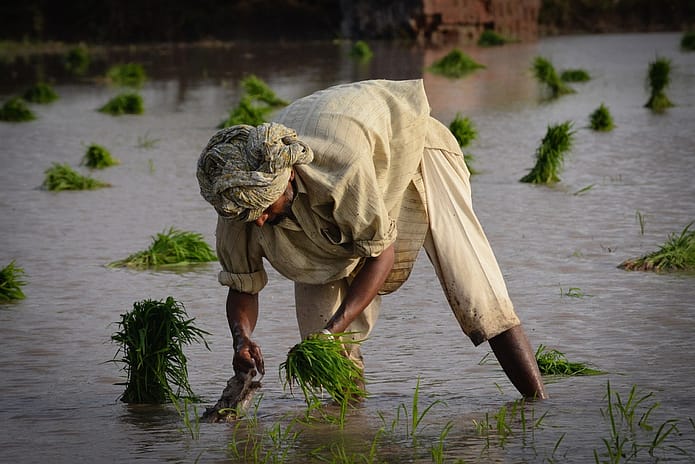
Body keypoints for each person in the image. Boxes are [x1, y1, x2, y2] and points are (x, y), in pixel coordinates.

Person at [196, 79, 547, 400]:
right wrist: (241, 339)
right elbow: (243, 285)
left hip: (412, 146)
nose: (256, 220)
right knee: (320, 340)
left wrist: (335, 330)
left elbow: (382, 254)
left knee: (474, 287)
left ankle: (537, 406)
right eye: (247, 213)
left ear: (287, 180)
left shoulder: (339, 169)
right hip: (342, 171)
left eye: (263, 209)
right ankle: (351, 429)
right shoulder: (238, 199)